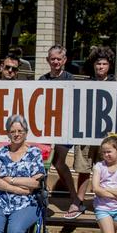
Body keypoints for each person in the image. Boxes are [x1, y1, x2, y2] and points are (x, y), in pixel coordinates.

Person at [72, 46, 117, 216]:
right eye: (98, 64)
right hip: (86, 133)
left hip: (106, 135)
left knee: (106, 169)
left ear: (109, 66)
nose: (100, 67)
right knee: (84, 169)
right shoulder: (85, 84)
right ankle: (78, 202)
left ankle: (103, 203)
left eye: (104, 64)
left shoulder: (115, 85)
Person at [38, 45, 80, 222]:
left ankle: (75, 198)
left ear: (64, 60)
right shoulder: (42, 79)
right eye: (52, 59)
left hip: (64, 128)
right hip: (45, 127)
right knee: (43, 161)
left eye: (58, 59)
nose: (55, 62)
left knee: (59, 161)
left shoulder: (71, 79)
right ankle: (42, 200)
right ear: (48, 60)